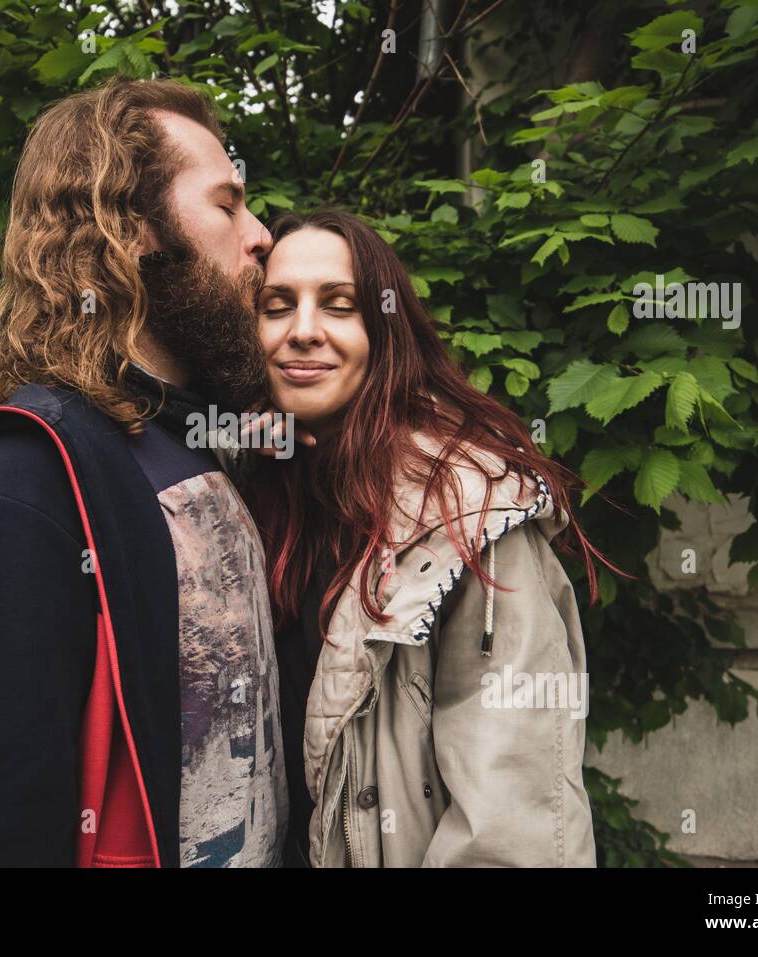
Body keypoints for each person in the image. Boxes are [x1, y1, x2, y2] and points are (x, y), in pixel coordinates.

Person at [0, 76, 290, 867]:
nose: (260, 236)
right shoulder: (25, 476)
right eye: (228, 204)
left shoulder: (192, 437)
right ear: (132, 227)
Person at [244, 209, 621, 867]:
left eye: (339, 306)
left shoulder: (468, 517)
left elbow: (511, 830)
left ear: (386, 333)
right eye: (277, 307)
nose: (303, 332)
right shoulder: (250, 484)